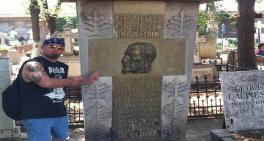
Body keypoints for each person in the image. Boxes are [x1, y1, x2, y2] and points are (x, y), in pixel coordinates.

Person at [19, 37, 100, 141]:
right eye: (51, 46)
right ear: (42, 47)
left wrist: (88, 79)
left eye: (60, 47)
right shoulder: (32, 64)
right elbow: (45, 82)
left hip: (59, 113)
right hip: (37, 115)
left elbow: (65, 82)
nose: (56, 49)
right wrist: (70, 80)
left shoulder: (63, 66)